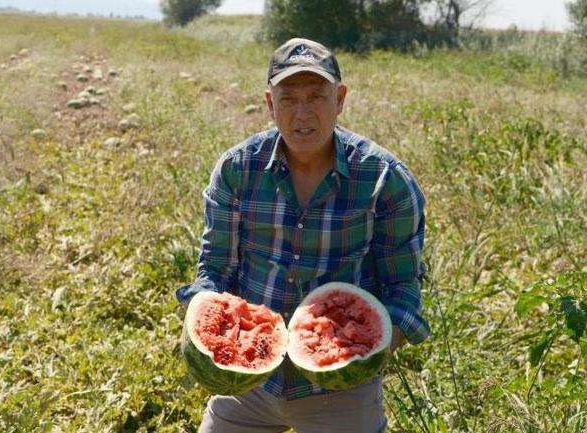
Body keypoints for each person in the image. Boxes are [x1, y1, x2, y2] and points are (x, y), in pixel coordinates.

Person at [176, 37, 430, 433]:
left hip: (340, 391)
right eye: (289, 99)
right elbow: (215, 267)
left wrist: (365, 350)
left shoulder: (385, 180)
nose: (302, 113)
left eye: (316, 97)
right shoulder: (237, 169)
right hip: (249, 382)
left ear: (340, 99)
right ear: (269, 103)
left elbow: (403, 286)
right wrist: (209, 335)